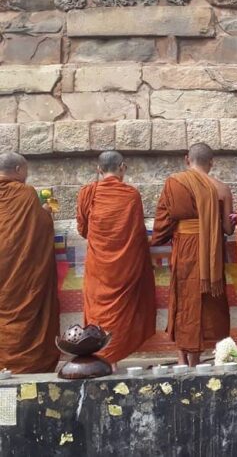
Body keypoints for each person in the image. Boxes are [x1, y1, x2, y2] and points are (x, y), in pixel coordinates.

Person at [152, 143, 233, 366]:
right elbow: (227, 229)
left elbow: (163, 223)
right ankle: (201, 356)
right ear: (211, 162)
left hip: (186, 249)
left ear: (187, 159)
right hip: (212, 254)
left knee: (184, 297)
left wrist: (155, 239)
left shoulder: (174, 183)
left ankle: (183, 358)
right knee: (209, 301)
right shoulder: (222, 188)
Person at [76, 151, 156, 371]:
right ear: (122, 167)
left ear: (99, 170)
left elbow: (83, 229)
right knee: (122, 313)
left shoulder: (88, 193)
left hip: (98, 267)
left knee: (98, 312)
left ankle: (103, 360)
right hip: (125, 267)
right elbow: (138, 232)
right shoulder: (131, 195)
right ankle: (113, 359)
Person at [0, 152, 60, 374]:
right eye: (26, 170)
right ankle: (27, 363)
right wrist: (47, 211)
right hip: (21, 270)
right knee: (27, 313)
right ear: (18, 170)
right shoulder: (25, 193)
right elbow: (41, 227)